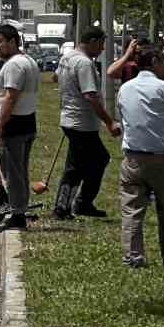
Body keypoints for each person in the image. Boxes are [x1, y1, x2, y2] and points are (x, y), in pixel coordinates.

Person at [115, 46, 164, 268]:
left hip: (132, 157)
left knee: (131, 210)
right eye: (163, 61)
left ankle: (133, 256)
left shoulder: (125, 88)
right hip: (161, 157)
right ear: (154, 62)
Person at [54, 26, 123, 219]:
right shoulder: (84, 63)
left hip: (70, 118)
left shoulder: (67, 57)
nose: (102, 49)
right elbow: (91, 96)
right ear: (92, 41)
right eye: (101, 44)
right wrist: (109, 123)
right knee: (90, 162)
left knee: (80, 163)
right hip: (81, 123)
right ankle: (71, 205)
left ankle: (73, 204)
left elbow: (55, 77)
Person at [0, 22, 40, 230]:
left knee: (12, 173)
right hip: (27, 122)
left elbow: (10, 98)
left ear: (13, 41)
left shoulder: (15, 65)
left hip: (14, 125)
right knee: (19, 171)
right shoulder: (27, 61)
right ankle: (20, 209)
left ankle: (17, 215)